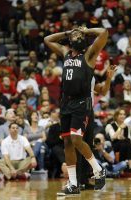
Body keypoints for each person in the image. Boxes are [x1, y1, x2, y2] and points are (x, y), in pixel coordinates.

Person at [44, 26, 108, 195]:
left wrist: (86, 31)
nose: (77, 35)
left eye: (81, 35)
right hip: (65, 103)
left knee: (76, 138)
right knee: (67, 142)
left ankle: (98, 169)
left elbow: (104, 33)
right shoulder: (65, 52)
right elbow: (47, 39)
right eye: (75, 34)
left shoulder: (89, 55)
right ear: (70, 40)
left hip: (82, 103)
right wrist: (68, 33)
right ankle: (73, 184)